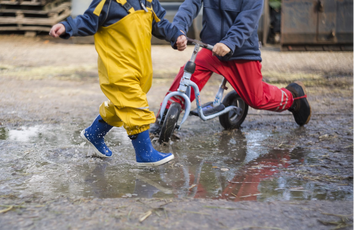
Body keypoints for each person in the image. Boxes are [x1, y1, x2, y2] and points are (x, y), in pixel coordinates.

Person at [49, 0, 186, 166]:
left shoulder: (148, 2)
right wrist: (67, 26)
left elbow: (159, 23)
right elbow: (88, 20)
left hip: (140, 67)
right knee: (135, 105)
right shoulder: (108, 2)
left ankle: (94, 133)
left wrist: (175, 35)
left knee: (122, 104)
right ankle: (144, 153)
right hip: (117, 68)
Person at [149, 0, 311, 136]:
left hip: (241, 51)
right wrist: (178, 30)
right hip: (211, 47)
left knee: (257, 98)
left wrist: (229, 42)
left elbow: (248, 18)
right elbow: (190, 4)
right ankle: (163, 118)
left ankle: (293, 97)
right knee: (188, 75)